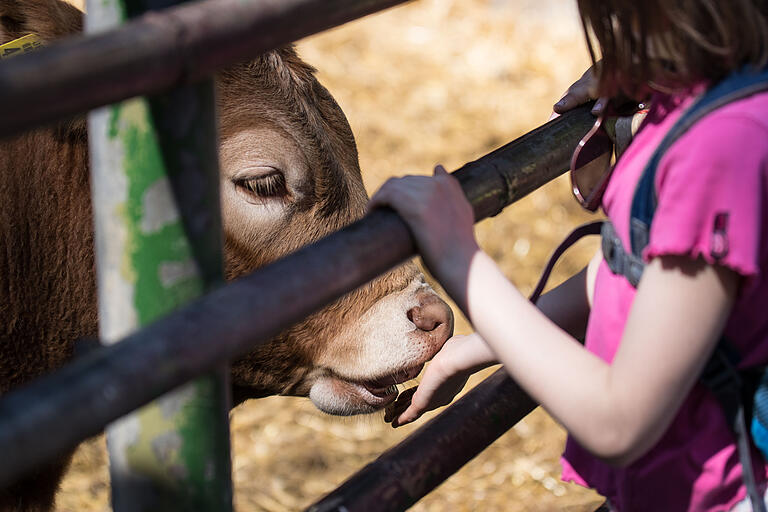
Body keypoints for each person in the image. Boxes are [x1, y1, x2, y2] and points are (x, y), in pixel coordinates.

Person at [369, 1, 768, 510]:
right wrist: (476, 346)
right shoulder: (716, 94)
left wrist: (459, 258)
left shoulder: (719, 146)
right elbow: (639, 274)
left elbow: (618, 421)